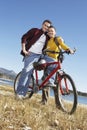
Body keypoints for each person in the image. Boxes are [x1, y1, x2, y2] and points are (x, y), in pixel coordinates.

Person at [16, 20, 52, 99]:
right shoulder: (35, 30)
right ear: (42, 24)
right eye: (45, 25)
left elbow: (53, 39)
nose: (46, 27)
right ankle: (20, 93)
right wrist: (24, 50)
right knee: (27, 71)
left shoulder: (47, 37)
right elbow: (24, 37)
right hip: (31, 54)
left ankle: (49, 82)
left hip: (41, 55)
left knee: (53, 63)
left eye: (48, 27)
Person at [41, 25, 74, 104]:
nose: (50, 32)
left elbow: (62, 45)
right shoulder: (47, 41)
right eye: (49, 31)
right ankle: (44, 101)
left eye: (52, 31)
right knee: (46, 80)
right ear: (47, 33)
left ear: (55, 32)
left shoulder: (58, 39)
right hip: (47, 62)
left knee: (56, 83)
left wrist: (68, 49)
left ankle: (59, 104)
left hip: (55, 62)